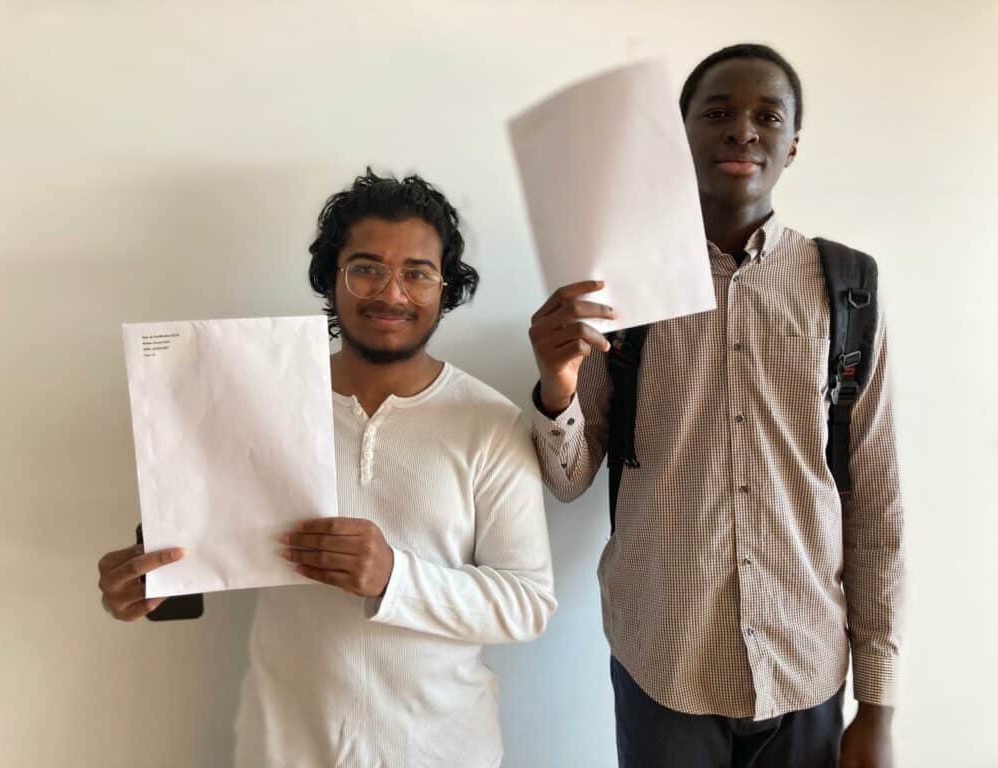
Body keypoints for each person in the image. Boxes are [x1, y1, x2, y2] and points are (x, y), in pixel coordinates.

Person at [98, 169, 556, 768]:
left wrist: (395, 577)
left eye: (417, 273)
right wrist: (145, 585)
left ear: (446, 287)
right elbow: (198, 552)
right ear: (331, 278)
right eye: (366, 268)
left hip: (441, 749)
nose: (392, 295)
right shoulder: (253, 400)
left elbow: (527, 602)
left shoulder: (490, 424)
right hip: (283, 746)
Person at [528, 44, 903, 768]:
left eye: (768, 116)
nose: (742, 130)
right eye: (719, 112)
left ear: (794, 143)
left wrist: (878, 702)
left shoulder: (847, 289)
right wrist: (556, 380)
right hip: (664, 661)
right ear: (679, 135)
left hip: (805, 664)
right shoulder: (618, 283)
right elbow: (568, 478)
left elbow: (876, 502)